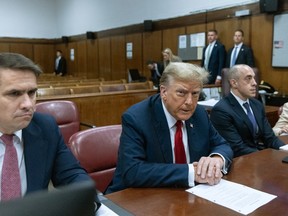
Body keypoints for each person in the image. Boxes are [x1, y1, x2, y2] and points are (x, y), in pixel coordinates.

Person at [106, 62, 233, 194]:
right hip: (137, 198)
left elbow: (222, 145)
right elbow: (133, 171)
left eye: (195, 94)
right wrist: (191, 172)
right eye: (181, 93)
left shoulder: (199, 114)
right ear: (164, 92)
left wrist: (216, 159)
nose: (189, 102)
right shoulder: (136, 118)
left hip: (189, 195)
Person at [0, 53, 101, 210]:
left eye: (32, 93)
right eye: (14, 93)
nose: (28, 104)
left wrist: (88, 203)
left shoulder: (45, 127)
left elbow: (71, 175)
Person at [210, 64, 285, 157]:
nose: (254, 83)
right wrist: (265, 157)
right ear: (234, 83)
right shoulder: (221, 110)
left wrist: (285, 148)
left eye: (253, 78)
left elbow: (270, 138)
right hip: (239, 161)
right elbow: (237, 147)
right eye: (248, 78)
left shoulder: (257, 104)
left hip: (257, 155)